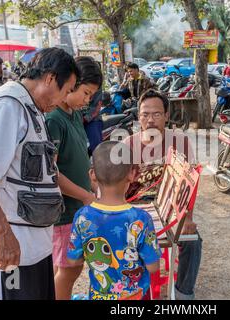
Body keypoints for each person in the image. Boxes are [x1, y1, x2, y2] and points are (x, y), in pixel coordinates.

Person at [0, 48, 79, 300]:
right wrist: (2, 235)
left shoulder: (31, 107)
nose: (64, 99)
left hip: (35, 247)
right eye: (66, 90)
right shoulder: (7, 105)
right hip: (16, 250)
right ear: (49, 78)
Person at [123, 89, 202, 300]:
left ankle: (184, 294)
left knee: (192, 239)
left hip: (169, 205)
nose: (150, 120)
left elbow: (188, 183)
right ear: (138, 116)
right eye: (145, 114)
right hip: (136, 205)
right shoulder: (127, 145)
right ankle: (136, 290)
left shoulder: (180, 142)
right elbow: (118, 190)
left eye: (156, 114)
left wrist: (187, 218)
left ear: (167, 115)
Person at [67, 141, 161, 300]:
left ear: (92, 175)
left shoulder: (82, 216)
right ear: (132, 174)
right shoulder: (141, 219)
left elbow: (73, 261)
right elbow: (153, 267)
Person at [45, 56, 102, 300]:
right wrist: (85, 195)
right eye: (85, 93)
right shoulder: (54, 120)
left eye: (91, 96)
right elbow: (51, 172)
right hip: (65, 210)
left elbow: (78, 152)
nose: (87, 100)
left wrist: (89, 179)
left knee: (64, 267)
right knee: (70, 268)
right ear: (71, 83)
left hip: (77, 206)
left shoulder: (74, 114)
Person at [83, 88, 104, 156]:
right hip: (77, 119)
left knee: (96, 150)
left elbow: (96, 108)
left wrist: (86, 118)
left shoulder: (96, 83)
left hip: (92, 120)